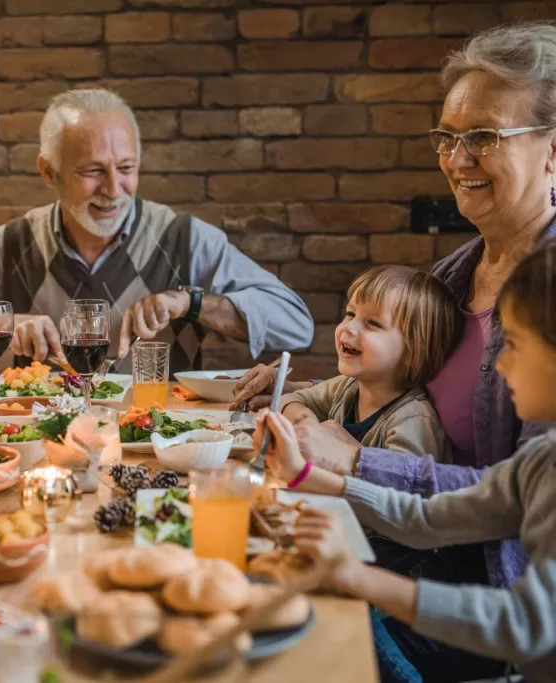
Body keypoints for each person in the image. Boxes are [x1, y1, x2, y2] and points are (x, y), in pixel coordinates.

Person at [232, 23, 556, 681]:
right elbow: (405, 387)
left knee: (305, 622)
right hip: (412, 543)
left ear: (553, 150)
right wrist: (301, 385)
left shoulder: (548, 299)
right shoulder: (454, 275)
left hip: (491, 595)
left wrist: (355, 458)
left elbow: (524, 495)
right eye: (447, 136)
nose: (457, 159)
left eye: (484, 137)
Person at [257, 243, 556, 683]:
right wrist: (310, 475)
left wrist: (355, 578)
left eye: (514, 344)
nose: (499, 366)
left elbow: (527, 625)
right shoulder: (538, 460)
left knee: (341, 626)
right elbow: (426, 516)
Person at [0, 88, 313, 375]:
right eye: (92, 171)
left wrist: (190, 305)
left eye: (126, 168)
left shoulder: (184, 238)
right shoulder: (9, 245)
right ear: (48, 172)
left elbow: (296, 324)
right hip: (41, 447)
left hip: (158, 442)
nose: (112, 189)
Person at [280, 265, 460, 458]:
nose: (349, 327)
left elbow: (406, 481)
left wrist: (346, 451)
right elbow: (290, 399)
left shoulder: (413, 419)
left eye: (373, 323)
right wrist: (307, 423)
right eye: (350, 314)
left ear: (412, 352)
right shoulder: (348, 386)